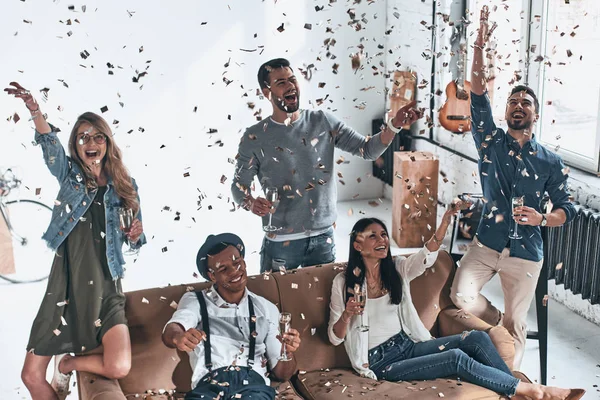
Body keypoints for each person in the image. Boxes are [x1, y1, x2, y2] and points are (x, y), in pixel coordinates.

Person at [327, 211, 584, 400]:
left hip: (407, 345)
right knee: (456, 358)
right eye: (372, 236)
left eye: (383, 234)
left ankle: (511, 389)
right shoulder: (343, 283)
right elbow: (335, 337)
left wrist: (445, 222)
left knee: (475, 339)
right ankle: (533, 390)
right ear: (358, 245)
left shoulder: (396, 270)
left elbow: (425, 256)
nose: (381, 239)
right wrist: (348, 314)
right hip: (381, 362)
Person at [449, 6, 576, 369]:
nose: (518, 106)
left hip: (526, 253)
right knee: (461, 296)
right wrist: (479, 43)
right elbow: (475, 90)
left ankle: (511, 385)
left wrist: (542, 218)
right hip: (487, 241)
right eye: (513, 102)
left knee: (519, 323)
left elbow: (566, 207)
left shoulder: (550, 161)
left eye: (526, 103)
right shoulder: (489, 140)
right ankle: (496, 322)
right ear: (505, 112)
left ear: (535, 115)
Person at [5, 82, 147, 399]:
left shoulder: (126, 185)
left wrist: (134, 236)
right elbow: (49, 145)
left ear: (108, 142)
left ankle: (67, 363)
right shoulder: (70, 176)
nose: (91, 142)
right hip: (65, 285)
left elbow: (138, 241)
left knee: (119, 365)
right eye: (83, 137)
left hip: (107, 290)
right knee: (30, 376)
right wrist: (33, 109)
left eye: (97, 136)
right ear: (77, 145)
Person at [231, 58, 423, 273]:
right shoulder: (255, 136)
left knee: (324, 304)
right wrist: (250, 202)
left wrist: (395, 125)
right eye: (281, 82)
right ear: (267, 93)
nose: (291, 85)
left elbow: (367, 150)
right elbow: (239, 185)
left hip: (323, 238)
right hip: (281, 242)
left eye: (292, 79)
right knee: (278, 304)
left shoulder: (322, 122)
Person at [162, 233, 301, 400]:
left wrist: (288, 352)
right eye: (223, 269)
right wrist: (178, 337)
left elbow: (282, 374)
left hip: (253, 388)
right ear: (212, 275)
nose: (235, 271)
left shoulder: (266, 308)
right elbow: (173, 328)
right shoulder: (196, 300)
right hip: (208, 387)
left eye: (237, 263)